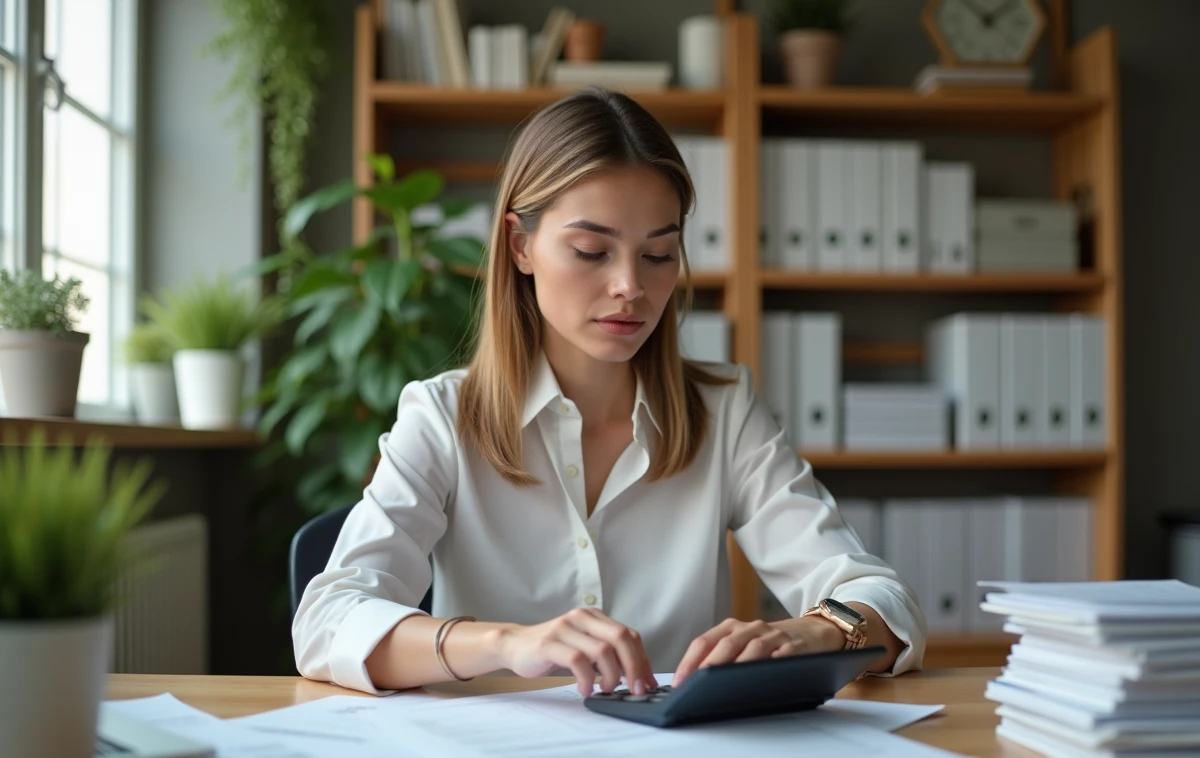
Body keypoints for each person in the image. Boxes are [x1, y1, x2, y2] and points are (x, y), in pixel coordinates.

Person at [293, 87, 926, 700]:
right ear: (521, 246)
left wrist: (816, 630)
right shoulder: (442, 416)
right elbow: (326, 621)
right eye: (592, 250)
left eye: (659, 255)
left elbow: (879, 595)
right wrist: (508, 644)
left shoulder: (725, 410)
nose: (630, 286)